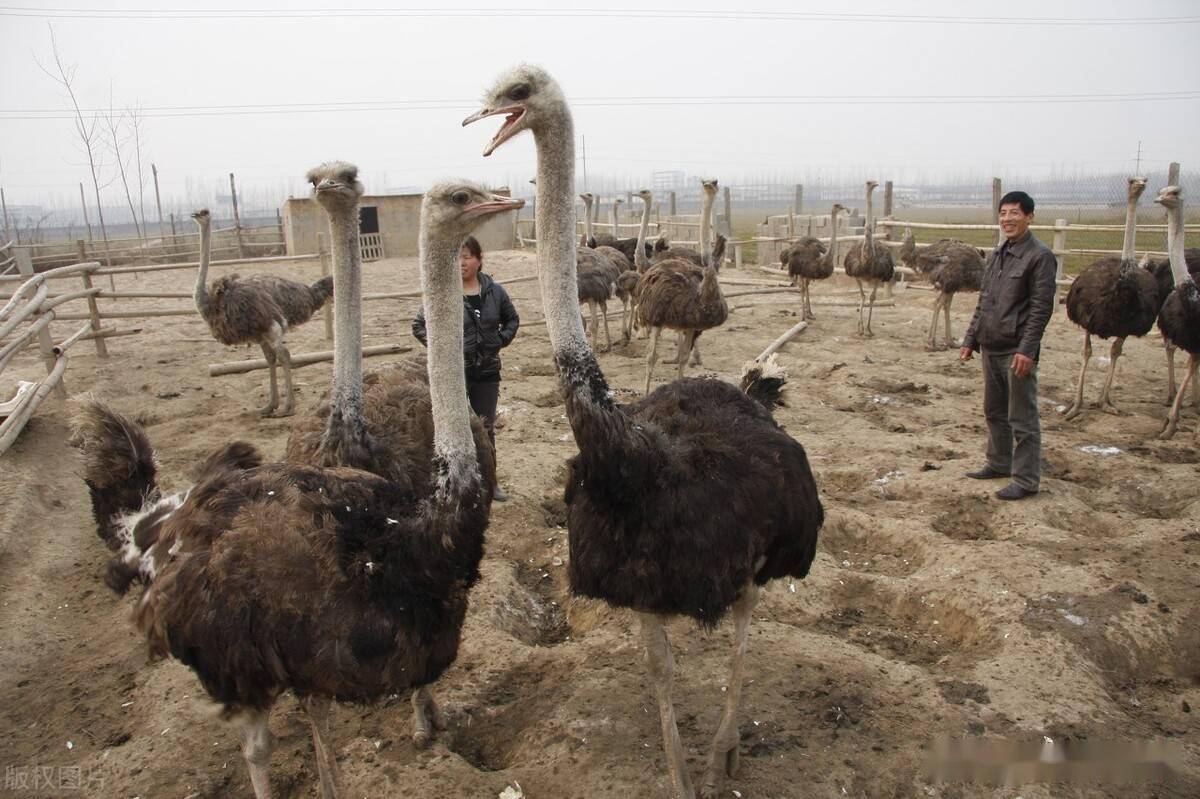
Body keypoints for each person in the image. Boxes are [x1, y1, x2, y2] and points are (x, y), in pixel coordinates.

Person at [959, 190, 1057, 501]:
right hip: (991, 345)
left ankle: (1027, 479)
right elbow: (984, 301)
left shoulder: (1040, 257)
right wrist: (970, 339)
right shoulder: (998, 255)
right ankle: (999, 462)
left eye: (1014, 213)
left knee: (1022, 417)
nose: (1007, 219)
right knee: (994, 411)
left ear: (1029, 216)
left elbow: (1041, 308)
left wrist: (1027, 349)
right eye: (1003, 213)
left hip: (1016, 350)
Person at [413, 235, 519, 501]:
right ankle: (457, 482)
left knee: (486, 428)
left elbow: (512, 319)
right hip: (455, 375)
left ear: (479, 260)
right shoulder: (443, 293)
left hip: (487, 373)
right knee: (455, 427)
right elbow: (418, 326)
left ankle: (491, 482)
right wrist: (444, 353)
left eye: (467, 256)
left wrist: (500, 340)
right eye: (457, 256)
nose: (462, 262)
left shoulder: (496, 292)